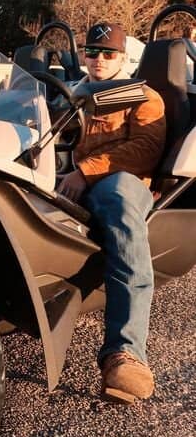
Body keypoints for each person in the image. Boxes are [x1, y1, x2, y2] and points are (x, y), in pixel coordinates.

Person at [58, 22, 166, 404]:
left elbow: (144, 150)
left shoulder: (143, 96)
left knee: (120, 202)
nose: (99, 59)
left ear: (123, 58)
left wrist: (85, 173)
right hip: (67, 178)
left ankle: (127, 354)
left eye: (108, 53)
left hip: (121, 180)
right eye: (92, 51)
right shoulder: (74, 91)